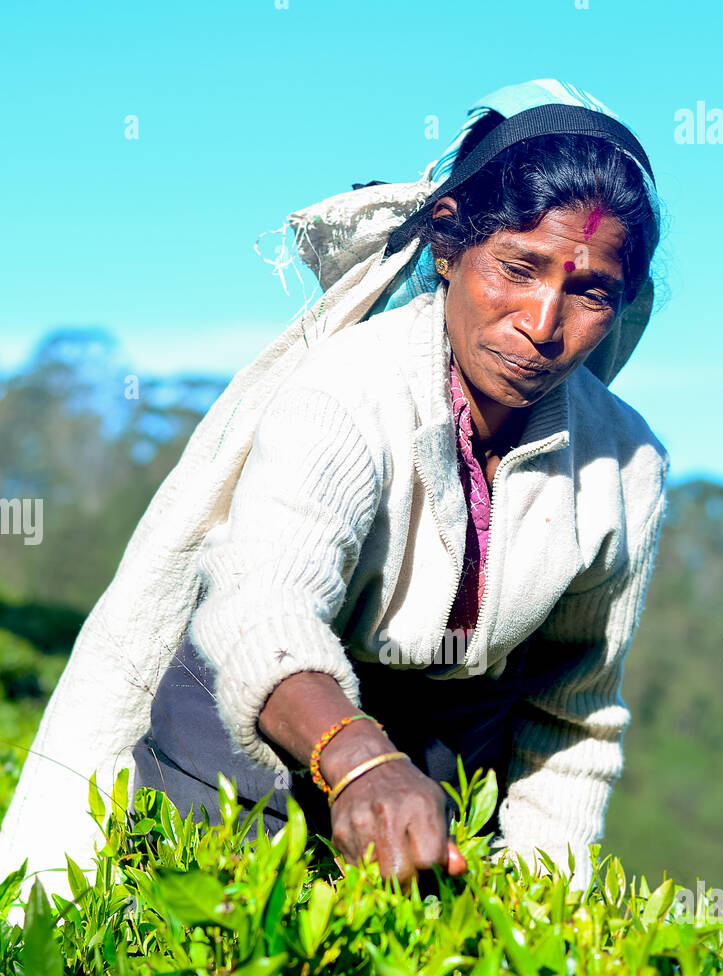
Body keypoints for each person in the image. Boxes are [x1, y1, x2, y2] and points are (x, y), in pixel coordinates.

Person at [0, 77, 670, 900]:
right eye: (517, 267)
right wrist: (362, 761)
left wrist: (543, 913)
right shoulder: (349, 391)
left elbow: (569, 713)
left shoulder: (625, 465)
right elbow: (259, 610)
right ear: (448, 245)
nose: (540, 320)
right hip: (245, 754)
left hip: (442, 783)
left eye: (589, 290)